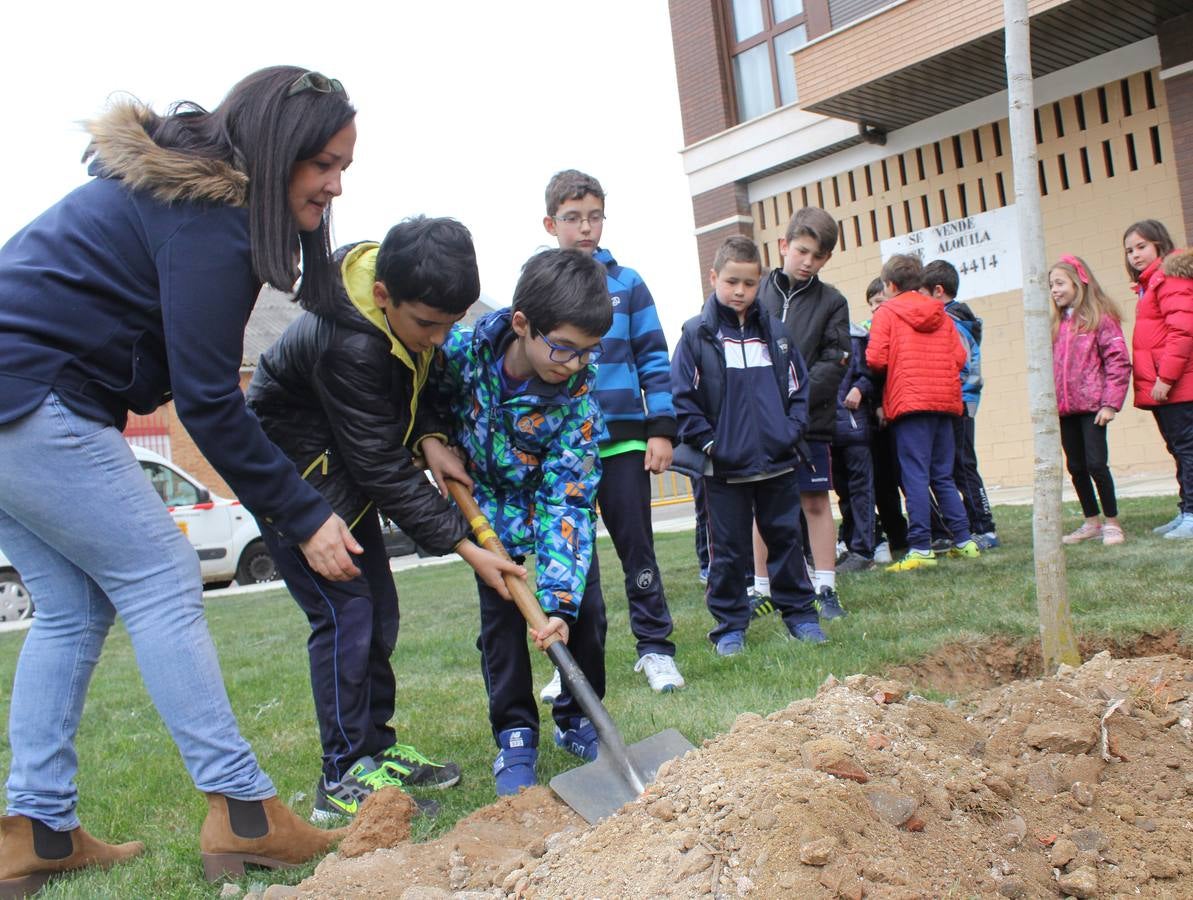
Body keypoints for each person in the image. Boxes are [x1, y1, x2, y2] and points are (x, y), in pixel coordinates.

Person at [0, 67, 358, 889]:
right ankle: (242, 812)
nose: (335, 184)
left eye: (344, 167)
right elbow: (207, 400)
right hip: (29, 392)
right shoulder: (209, 220)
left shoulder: (182, 204)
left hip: (16, 396)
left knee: (70, 606)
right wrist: (302, 514)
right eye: (322, 165)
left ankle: (38, 832)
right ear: (275, 155)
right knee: (161, 574)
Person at [246, 217, 526, 821]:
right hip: (297, 472)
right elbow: (379, 465)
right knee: (345, 612)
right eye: (428, 324)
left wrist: (429, 434)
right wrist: (464, 545)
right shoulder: (351, 344)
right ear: (382, 296)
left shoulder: (404, 326)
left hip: (340, 465)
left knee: (377, 607)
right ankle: (342, 776)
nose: (438, 337)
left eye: (451, 325)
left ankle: (375, 750)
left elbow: (414, 382)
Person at [434, 248, 613, 796]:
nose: (573, 363)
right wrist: (433, 440)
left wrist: (557, 603)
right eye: (562, 348)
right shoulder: (463, 352)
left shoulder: (578, 400)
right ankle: (515, 733)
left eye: (586, 352)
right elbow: (428, 401)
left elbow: (569, 499)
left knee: (586, 613)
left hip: (549, 500)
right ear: (521, 325)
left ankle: (580, 716)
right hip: (484, 504)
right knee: (502, 628)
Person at [537, 170, 682, 697]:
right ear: (552, 223)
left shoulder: (629, 284)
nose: (585, 228)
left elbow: (653, 358)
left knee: (637, 550)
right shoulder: (541, 283)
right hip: (564, 451)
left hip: (624, 443)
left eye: (594, 216)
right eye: (573, 218)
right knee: (572, 563)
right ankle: (567, 665)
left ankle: (656, 649)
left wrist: (661, 429)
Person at [671, 235, 825, 656]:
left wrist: (789, 433)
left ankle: (801, 616)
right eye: (732, 281)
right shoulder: (695, 336)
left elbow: (798, 390)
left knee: (786, 541)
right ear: (714, 277)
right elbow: (683, 399)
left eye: (750, 283)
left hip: (777, 463)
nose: (740, 291)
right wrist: (711, 445)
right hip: (724, 470)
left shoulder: (776, 333)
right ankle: (729, 628)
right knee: (728, 552)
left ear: (759, 282)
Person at [756, 208, 851, 617]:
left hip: (809, 421)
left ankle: (825, 588)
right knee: (760, 503)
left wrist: (794, 399)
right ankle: (760, 589)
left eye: (817, 255)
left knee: (814, 501)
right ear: (784, 246)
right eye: (801, 251)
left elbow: (833, 360)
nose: (808, 261)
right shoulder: (757, 290)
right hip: (758, 422)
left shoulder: (833, 302)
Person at [865, 254, 981, 571]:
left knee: (914, 475)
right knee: (942, 474)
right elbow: (959, 357)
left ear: (889, 285)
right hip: (946, 403)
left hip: (910, 403)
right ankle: (963, 540)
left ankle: (920, 547)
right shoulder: (941, 314)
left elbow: (875, 358)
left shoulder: (886, 313)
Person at [1048, 254, 1131, 545]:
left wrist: (1110, 403)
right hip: (1065, 410)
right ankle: (1091, 521)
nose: (1054, 290)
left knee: (1097, 464)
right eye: (1051, 285)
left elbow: (1118, 362)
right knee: (1076, 467)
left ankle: (1111, 521)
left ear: (1078, 281)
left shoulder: (1100, 318)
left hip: (1093, 407)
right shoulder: (1057, 324)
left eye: (1059, 283)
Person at [921, 261, 1000, 550]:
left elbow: (961, 366)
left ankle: (985, 527)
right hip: (957, 401)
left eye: (923, 293)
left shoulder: (952, 322)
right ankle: (971, 522)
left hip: (960, 402)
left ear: (938, 291)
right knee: (957, 464)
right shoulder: (954, 318)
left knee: (964, 465)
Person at [1123, 220, 1193, 540]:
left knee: (1188, 449)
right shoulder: (1151, 284)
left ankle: (1192, 515)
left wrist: (1165, 377)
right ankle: (1186, 510)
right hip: (1167, 389)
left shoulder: (1169, 278)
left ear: (1159, 246)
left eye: (1141, 247)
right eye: (1129, 250)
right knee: (1179, 449)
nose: (1135, 255)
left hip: (1179, 386)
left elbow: (1182, 332)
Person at [862, 278, 908, 563]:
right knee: (883, 481)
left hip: (900, 410)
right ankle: (895, 532)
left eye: (884, 301)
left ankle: (917, 530)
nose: (879, 308)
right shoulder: (866, 333)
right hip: (876, 415)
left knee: (905, 475)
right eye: (874, 303)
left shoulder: (898, 330)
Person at [831, 305, 878, 574]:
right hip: (829, 427)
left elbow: (870, 373)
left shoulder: (857, 338)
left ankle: (864, 549)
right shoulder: (820, 338)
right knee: (844, 491)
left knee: (861, 489)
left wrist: (859, 388)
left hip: (853, 424)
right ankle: (851, 546)